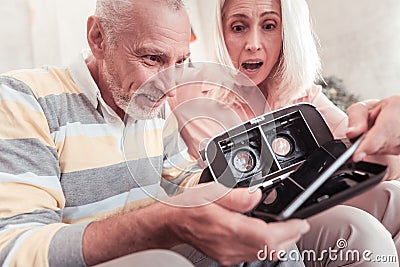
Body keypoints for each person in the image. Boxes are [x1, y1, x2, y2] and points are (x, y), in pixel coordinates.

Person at [0, 0, 311, 266]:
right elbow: (15, 250)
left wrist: (243, 186)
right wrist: (163, 222)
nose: (170, 84)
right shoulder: (25, 97)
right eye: (152, 59)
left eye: (180, 63)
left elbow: (184, 183)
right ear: (98, 38)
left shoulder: (152, 105)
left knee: (310, 226)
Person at [168, 0, 400, 265]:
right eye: (238, 27)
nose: (253, 43)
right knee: (357, 232)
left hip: (307, 202)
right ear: (222, 33)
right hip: (255, 220)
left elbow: (378, 163)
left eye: (269, 26)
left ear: (287, 33)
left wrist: (382, 133)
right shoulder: (188, 94)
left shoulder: (302, 94)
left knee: (395, 198)